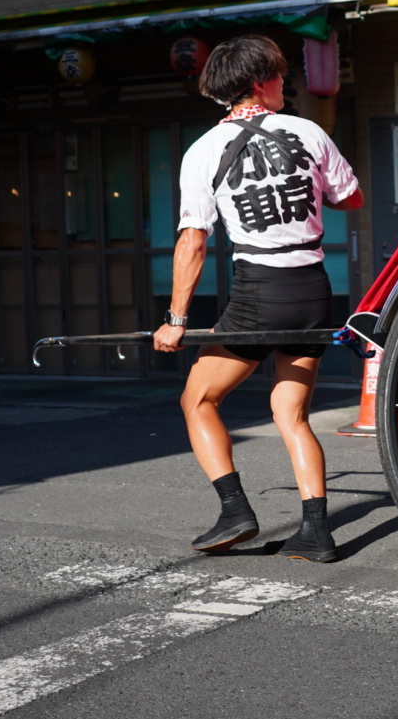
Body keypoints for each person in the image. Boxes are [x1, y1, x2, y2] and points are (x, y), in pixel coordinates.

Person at [152, 34, 363, 563]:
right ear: (257, 84)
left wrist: (175, 318)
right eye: (277, 77)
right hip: (314, 291)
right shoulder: (308, 132)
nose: (282, 85)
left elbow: (193, 240)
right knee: (290, 414)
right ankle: (316, 532)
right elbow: (351, 198)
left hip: (257, 296)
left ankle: (234, 510)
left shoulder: (202, 151)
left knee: (197, 400)